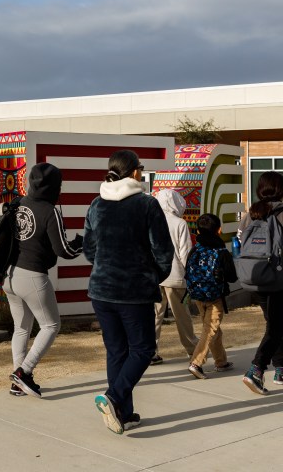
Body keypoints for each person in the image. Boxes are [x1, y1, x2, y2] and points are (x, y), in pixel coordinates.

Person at [83, 150, 173, 434]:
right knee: (144, 349)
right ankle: (113, 397)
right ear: (135, 172)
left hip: (101, 290)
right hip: (134, 291)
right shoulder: (147, 204)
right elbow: (163, 250)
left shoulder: (96, 204)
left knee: (117, 351)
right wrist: (153, 276)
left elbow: (89, 250)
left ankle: (123, 412)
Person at [5, 163, 83, 398]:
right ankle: (24, 373)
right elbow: (64, 251)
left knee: (21, 328)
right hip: (33, 276)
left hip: (9, 274)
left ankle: (17, 380)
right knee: (51, 325)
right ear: (54, 187)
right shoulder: (50, 211)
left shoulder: (18, 203)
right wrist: (82, 243)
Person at [237, 170, 283, 394]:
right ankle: (256, 369)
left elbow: (239, 242)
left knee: (274, 324)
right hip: (278, 278)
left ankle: (281, 368)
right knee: (276, 327)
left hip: (254, 276)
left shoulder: (250, 214)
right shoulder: (281, 213)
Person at [186, 213, 237, 379]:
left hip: (198, 295)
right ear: (219, 230)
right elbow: (232, 277)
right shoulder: (221, 251)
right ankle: (196, 362)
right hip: (215, 296)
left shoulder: (195, 249)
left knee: (213, 328)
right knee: (210, 329)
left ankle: (221, 361)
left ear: (198, 231)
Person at [151, 189, 198, 365]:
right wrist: (191, 275)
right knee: (182, 316)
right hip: (175, 277)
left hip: (154, 277)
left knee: (155, 316)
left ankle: (151, 352)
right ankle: (193, 349)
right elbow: (185, 252)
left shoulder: (152, 220)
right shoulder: (180, 223)